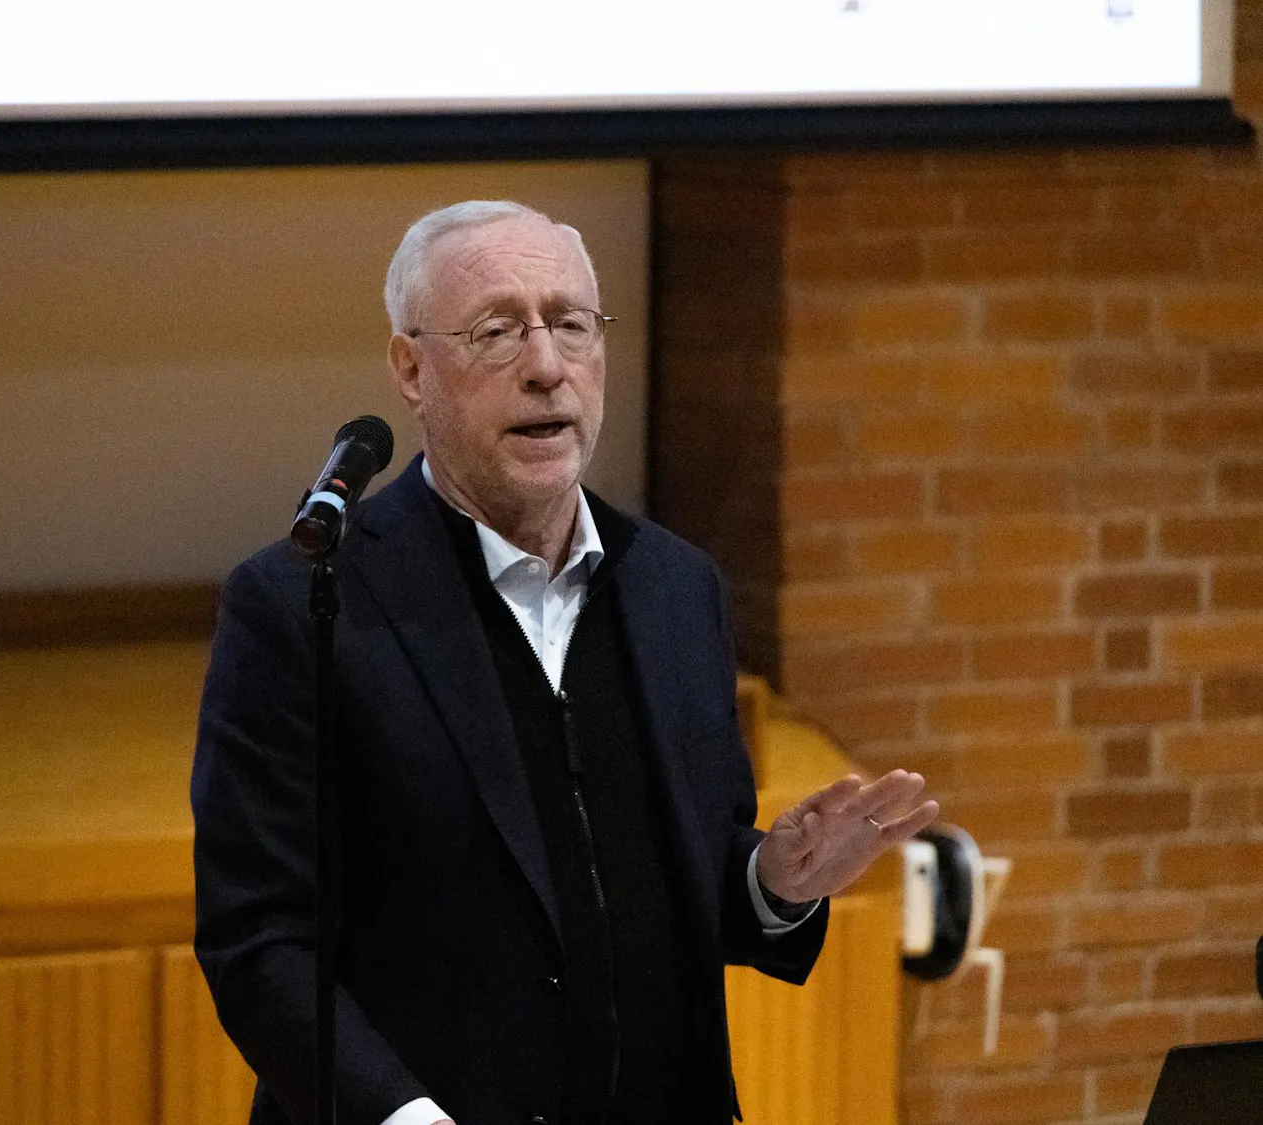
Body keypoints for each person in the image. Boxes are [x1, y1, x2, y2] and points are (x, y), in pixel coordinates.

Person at [191, 200, 938, 1125]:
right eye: (497, 332)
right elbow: (259, 940)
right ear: (411, 368)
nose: (546, 367)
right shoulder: (307, 603)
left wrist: (772, 881)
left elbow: (664, 880)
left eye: (571, 326)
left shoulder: (675, 587)